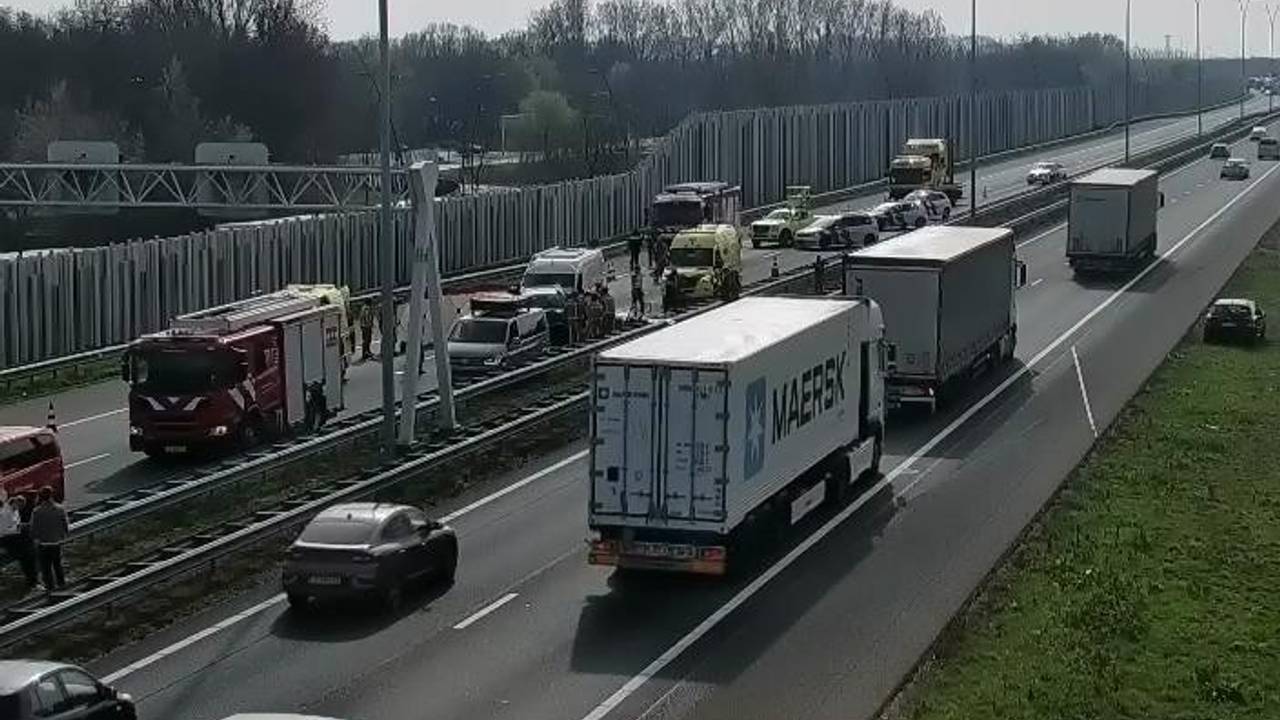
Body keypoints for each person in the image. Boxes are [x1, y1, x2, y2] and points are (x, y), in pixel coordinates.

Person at [30, 486, 68, 592]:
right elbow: (65, 525)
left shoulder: (37, 511)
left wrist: (35, 538)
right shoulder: (60, 509)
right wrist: (62, 535)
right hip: (56, 541)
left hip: (43, 543)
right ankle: (62, 584)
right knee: (57, 565)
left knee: (46, 567)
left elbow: (34, 528)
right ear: (52, 495)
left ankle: (50, 587)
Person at [0, 492, 37, 590]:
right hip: (6, 538)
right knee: (27, 554)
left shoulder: (14, 511)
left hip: (14, 537)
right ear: (15, 503)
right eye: (19, 507)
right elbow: (3, 530)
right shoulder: (4, 513)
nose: (19, 509)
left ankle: (32, 580)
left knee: (29, 551)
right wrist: (19, 528)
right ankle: (32, 581)